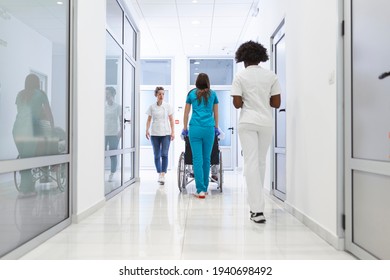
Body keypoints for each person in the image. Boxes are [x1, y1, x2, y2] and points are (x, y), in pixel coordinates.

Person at [231, 41, 281, 223]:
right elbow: (276, 103)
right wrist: (262, 100)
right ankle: (256, 205)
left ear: (242, 58)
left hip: (247, 121)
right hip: (266, 122)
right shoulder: (271, 76)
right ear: (261, 57)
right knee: (260, 162)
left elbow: (236, 104)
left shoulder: (240, 76)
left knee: (250, 163)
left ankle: (257, 209)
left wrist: (248, 101)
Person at [12, 73, 54, 197]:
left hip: (17, 129)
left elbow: (21, 111)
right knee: (28, 159)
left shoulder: (20, 94)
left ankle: (27, 186)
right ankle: (27, 188)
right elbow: (49, 113)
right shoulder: (41, 94)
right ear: (37, 83)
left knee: (24, 157)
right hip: (31, 129)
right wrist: (52, 128)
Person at [182, 73, 219, 198]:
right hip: (209, 128)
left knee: (197, 159)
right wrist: (216, 127)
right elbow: (216, 113)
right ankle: (205, 188)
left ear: (197, 82)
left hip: (195, 128)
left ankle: (200, 190)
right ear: (208, 82)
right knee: (206, 159)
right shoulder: (213, 94)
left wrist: (185, 128)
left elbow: (186, 113)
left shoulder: (191, 94)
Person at [145, 86, 175, 185]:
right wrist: (147, 130)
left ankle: (163, 174)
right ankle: (159, 172)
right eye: (159, 94)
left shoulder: (168, 106)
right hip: (154, 133)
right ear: (156, 95)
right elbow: (149, 120)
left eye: (163, 94)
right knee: (157, 154)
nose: (161, 96)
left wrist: (173, 132)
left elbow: (171, 120)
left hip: (166, 133)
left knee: (164, 154)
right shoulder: (151, 107)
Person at [105, 86, 122, 182]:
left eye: (107, 94)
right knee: (101, 154)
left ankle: (112, 173)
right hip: (104, 133)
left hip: (114, 133)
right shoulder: (103, 106)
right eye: (105, 94)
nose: (106, 96)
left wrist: (120, 131)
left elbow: (121, 120)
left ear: (112, 94)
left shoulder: (117, 107)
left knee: (113, 154)